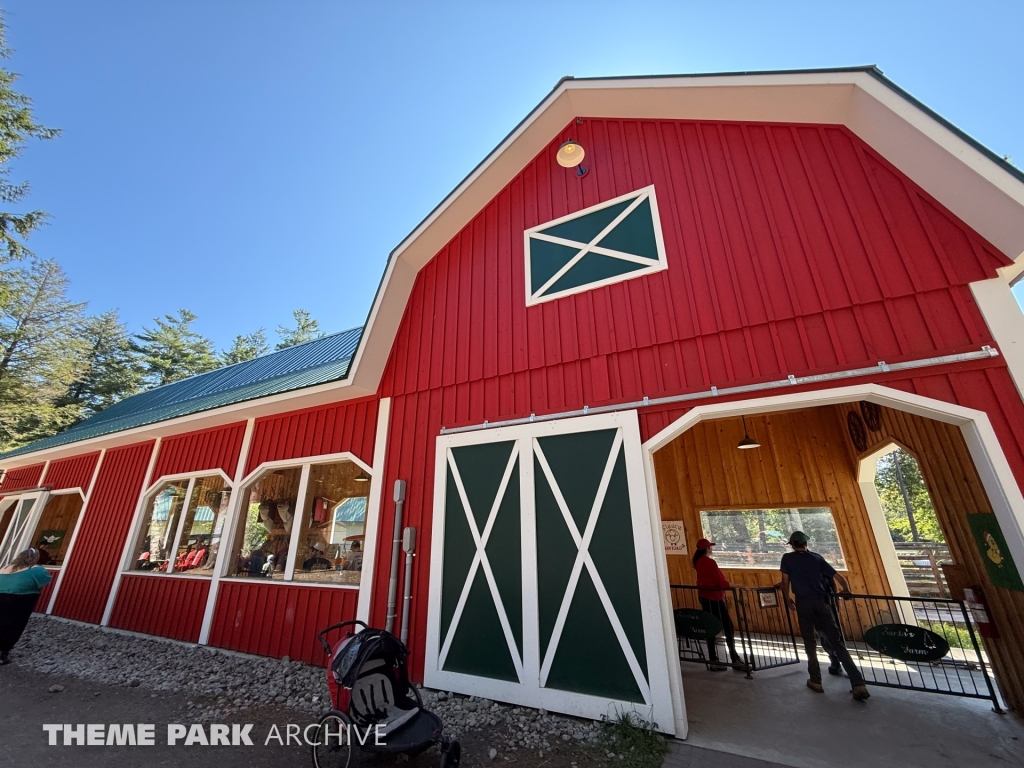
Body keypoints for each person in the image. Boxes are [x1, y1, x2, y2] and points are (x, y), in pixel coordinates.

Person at [780, 531, 870, 700]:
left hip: (803, 603)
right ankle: (858, 683)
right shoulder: (817, 558)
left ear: (792, 545)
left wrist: (787, 599)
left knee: (810, 642)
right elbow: (840, 578)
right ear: (806, 543)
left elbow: (785, 582)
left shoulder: (787, 559)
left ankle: (816, 680)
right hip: (822, 603)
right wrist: (845, 590)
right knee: (836, 642)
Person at [692, 538, 743, 672]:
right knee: (728, 627)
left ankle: (713, 659)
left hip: (704, 597)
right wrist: (735, 585)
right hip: (714, 598)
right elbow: (720, 581)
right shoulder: (710, 562)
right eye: (710, 547)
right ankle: (734, 658)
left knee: (710, 627)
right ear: (707, 549)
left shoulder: (698, 562)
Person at [0, 548, 52, 665]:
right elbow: (46, 580)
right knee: (14, 625)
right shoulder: (36, 569)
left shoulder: (5, 568)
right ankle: (3, 652)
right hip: (21, 599)